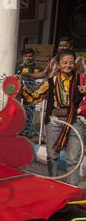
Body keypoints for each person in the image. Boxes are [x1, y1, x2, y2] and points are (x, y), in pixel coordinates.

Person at [21, 50, 86, 186]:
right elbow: (34, 97)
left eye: (71, 62)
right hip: (54, 121)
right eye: (64, 62)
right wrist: (21, 87)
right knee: (52, 157)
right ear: (58, 64)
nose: (68, 65)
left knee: (73, 159)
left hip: (75, 121)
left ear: (75, 64)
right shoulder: (51, 81)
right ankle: (54, 186)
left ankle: (71, 189)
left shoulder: (82, 80)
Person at [16, 48, 44, 139]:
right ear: (23, 57)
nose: (28, 58)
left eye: (30, 56)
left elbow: (43, 78)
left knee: (30, 113)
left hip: (33, 94)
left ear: (34, 56)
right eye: (26, 56)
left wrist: (37, 88)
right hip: (20, 94)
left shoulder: (39, 68)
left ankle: (27, 132)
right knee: (20, 113)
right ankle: (20, 130)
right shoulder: (18, 67)